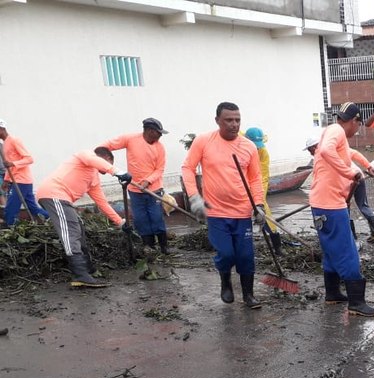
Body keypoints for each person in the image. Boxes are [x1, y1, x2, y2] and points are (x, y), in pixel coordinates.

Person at [181, 102, 264, 309]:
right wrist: (194, 198)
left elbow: (255, 179)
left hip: (243, 211)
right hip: (216, 212)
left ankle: (248, 295)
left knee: (245, 256)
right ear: (217, 120)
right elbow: (187, 168)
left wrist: (259, 205)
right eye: (228, 120)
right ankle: (225, 280)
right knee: (226, 253)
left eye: (237, 120)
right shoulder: (203, 141)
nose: (234, 124)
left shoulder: (248, 147)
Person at [309, 102, 374, 316]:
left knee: (331, 251)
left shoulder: (333, 132)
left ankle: (332, 294)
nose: (358, 129)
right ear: (354, 121)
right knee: (348, 251)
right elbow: (326, 151)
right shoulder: (337, 131)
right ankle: (357, 303)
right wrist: (350, 174)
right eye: (358, 124)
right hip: (330, 204)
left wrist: (366, 166)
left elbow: (351, 153)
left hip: (323, 201)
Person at [36, 147, 132, 288]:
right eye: (109, 163)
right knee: (71, 232)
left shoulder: (93, 179)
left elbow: (102, 203)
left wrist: (121, 222)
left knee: (78, 227)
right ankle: (80, 275)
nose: (107, 168)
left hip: (62, 199)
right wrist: (116, 171)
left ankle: (87, 268)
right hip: (53, 194)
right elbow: (93, 160)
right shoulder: (85, 155)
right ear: (104, 158)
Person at [100, 118, 170, 254]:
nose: (160, 136)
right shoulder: (130, 139)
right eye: (158, 133)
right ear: (150, 131)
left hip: (154, 190)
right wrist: (99, 159)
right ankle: (149, 246)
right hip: (134, 189)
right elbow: (106, 146)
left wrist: (148, 181)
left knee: (156, 217)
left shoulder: (159, 147)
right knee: (141, 219)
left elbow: (159, 169)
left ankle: (164, 246)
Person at [304, 133, 374, 243]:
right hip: (359, 177)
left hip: (347, 182)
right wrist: (369, 167)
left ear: (314, 147)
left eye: (309, 150)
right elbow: (355, 154)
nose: (310, 153)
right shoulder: (336, 149)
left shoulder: (321, 155)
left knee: (344, 208)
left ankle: (352, 238)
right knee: (363, 205)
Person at [0, 119, 50, 226]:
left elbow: (29, 159)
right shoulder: (4, 145)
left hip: (21, 180)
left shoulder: (14, 140)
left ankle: (10, 228)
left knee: (11, 208)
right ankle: (52, 217)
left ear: (1, 129)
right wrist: (6, 180)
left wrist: (13, 163)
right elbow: (8, 166)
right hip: (16, 180)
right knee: (32, 208)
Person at [243, 127, 284, 253]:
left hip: (256, 188)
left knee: (266, 216)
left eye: (258, 146)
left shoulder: (263, 153)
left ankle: (277, 247)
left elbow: (263, 178)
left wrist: (258, 201)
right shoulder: (238, 144)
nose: (256, 148)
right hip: (239, 189)